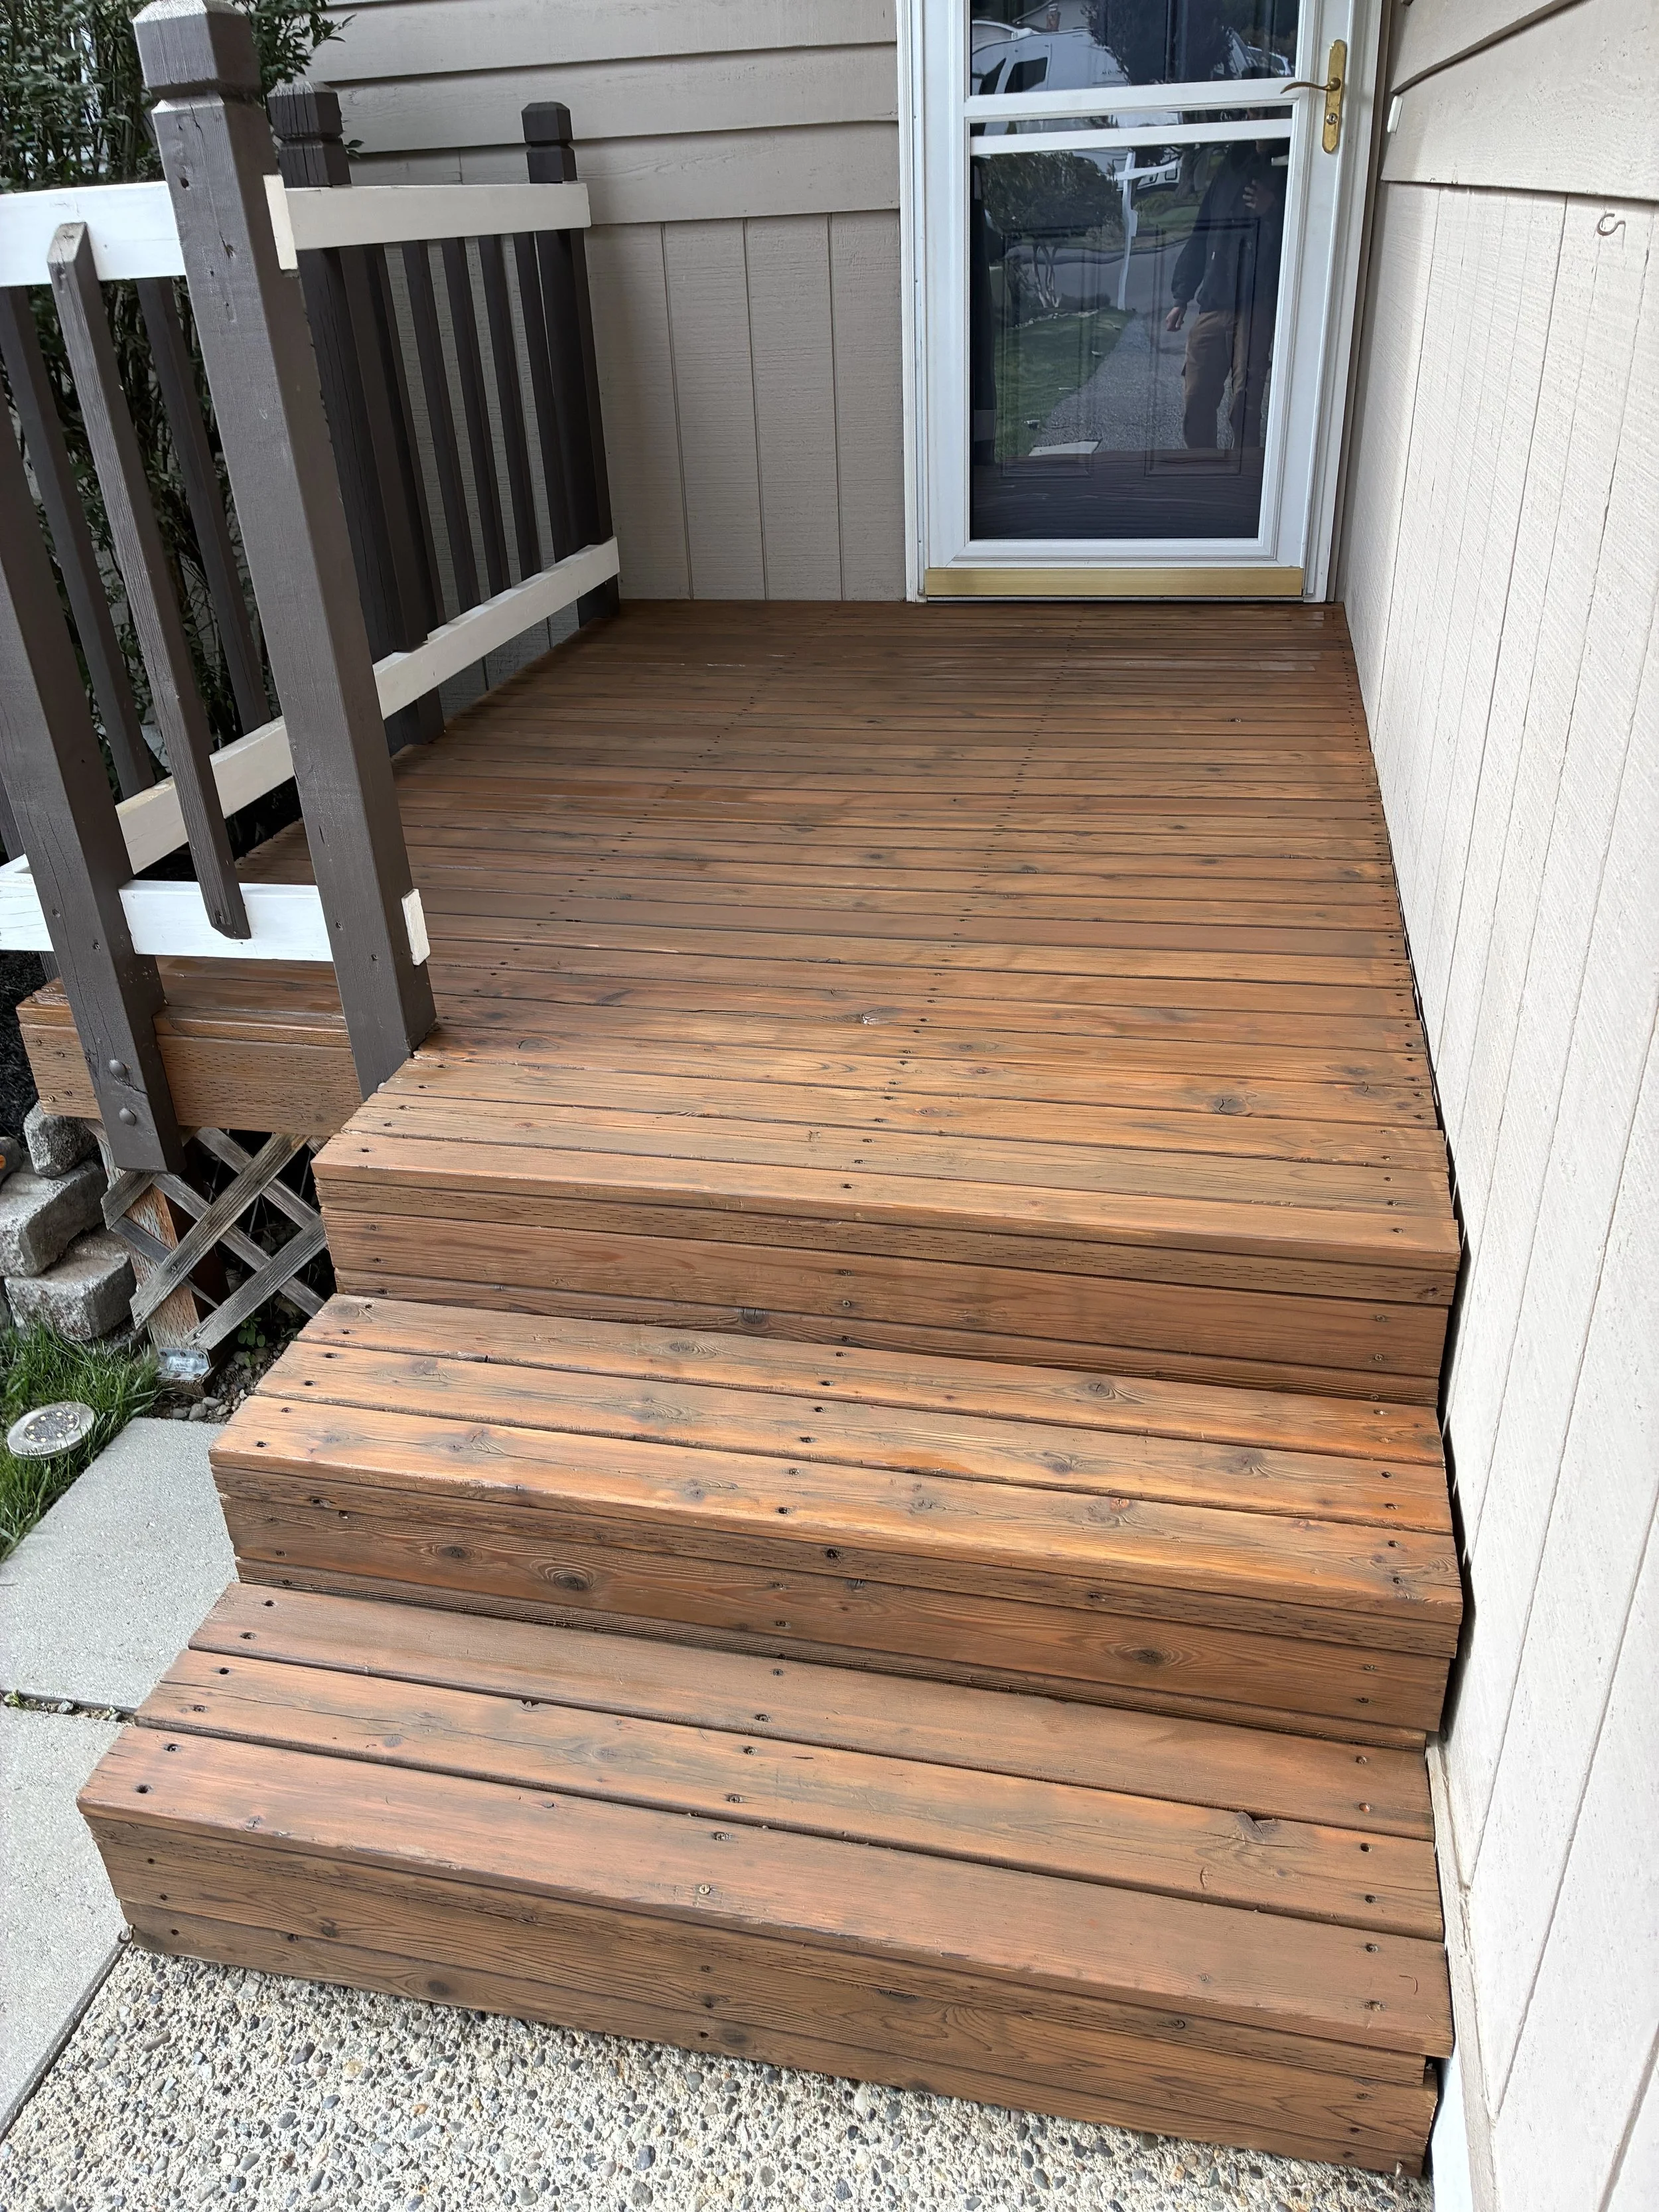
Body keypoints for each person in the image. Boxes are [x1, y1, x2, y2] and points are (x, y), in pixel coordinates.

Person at [1164, 142, 1285, 452]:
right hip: (1215, 299)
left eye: (1261, 114)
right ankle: (1202, 475)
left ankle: (1243, 482)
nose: (1254, 120)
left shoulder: (1289, 162)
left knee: (1244, 400)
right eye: (1251, 113)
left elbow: (1307, 234)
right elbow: (1202, 231)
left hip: (1257, 302)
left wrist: (1272, 210)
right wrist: (1182, 297)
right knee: (1197, 395)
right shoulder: (1231, 165)